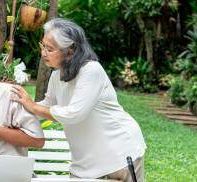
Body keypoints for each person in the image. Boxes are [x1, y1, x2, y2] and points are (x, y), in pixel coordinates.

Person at [11, 18, 147, 181]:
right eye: (43, 46)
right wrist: (14, 110)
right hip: (85, 165)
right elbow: (47, 106)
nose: (43, 53)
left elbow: (73, 114)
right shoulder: (56, 75)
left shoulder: (91, 71)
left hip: (118, 155)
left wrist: (32, 107)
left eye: (50, 49)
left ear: (70, 51)